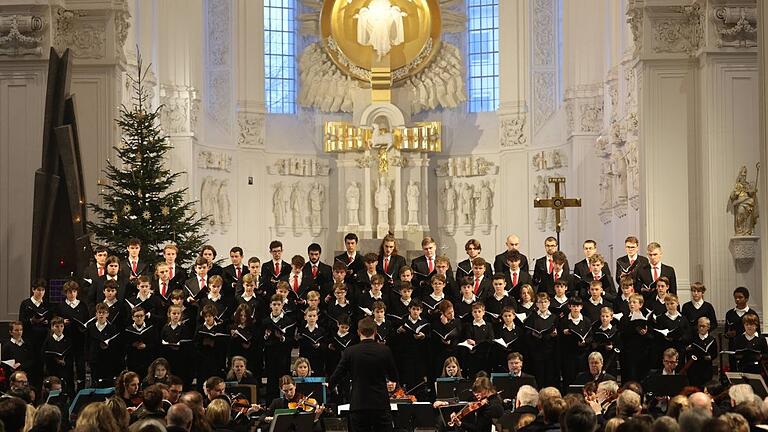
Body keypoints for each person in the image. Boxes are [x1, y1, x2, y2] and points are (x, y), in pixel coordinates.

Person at [327, 316, 399, 432]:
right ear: (375, 332)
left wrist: (329, 387)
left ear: (358, 332)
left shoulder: (349, 352)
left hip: (358, 404)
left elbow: (336, 376)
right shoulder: (385, 350)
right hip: (380, 404)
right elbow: (394, 376)